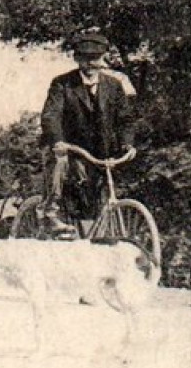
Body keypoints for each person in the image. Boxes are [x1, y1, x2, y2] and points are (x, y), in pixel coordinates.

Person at [39, 30, 138, 231]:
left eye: (96, 59)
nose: (91, 64)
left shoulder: (114, 86)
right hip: (70, 148)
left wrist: (127, 143)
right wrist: (58, 141)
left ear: (104, 59)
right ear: (77, 59)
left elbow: (125, 119)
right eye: (86, 59)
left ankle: (95, 232)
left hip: (100, 152)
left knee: (98, 196)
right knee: (60, 162)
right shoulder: (63, 84)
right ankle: (51, 212)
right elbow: (51, 115)